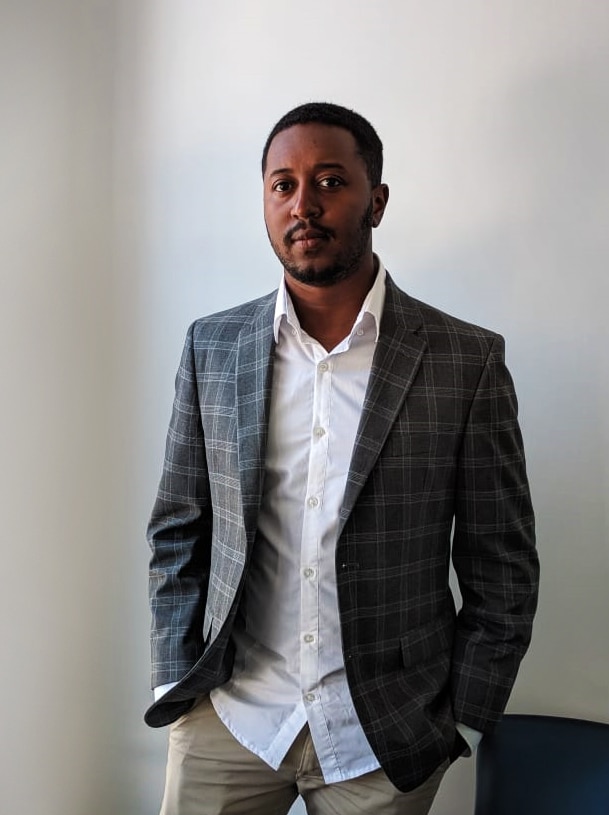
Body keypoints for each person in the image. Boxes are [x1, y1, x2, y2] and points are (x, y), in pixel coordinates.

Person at [145, 102, 539, 815]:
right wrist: (174, 681)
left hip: (384, 733)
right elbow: (179, 526)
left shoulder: (464, 360)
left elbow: (501, 565)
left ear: (375, 200)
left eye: (329, 181)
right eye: (282, 185)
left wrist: (462, 720)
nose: (304, 204)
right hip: (230, 717)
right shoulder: (214, 346)